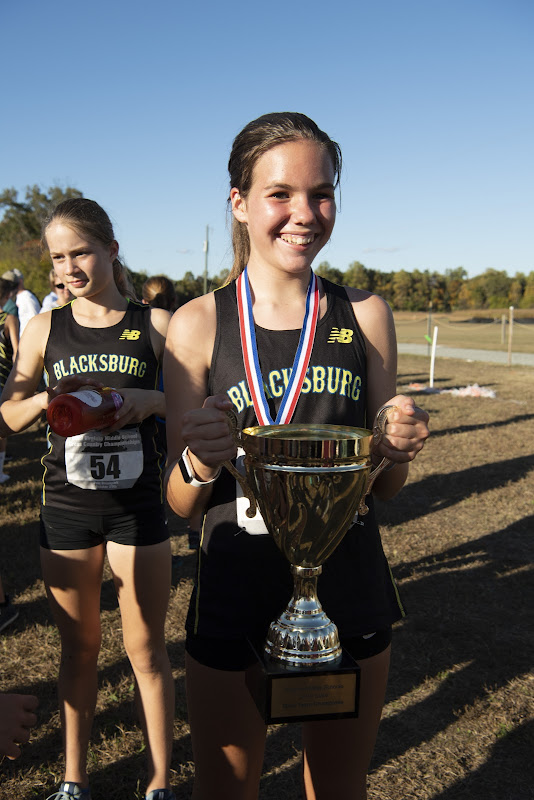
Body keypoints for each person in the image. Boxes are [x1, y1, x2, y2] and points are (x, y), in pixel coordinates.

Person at [164, 112, 429, 800]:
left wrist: (395, 444)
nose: (304, 214)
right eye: (281, 193)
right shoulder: (197, 322)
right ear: (241, 203)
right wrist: (197, 460)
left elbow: (388, 488)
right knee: (226, 791)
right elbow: (179, 502)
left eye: (322, 193)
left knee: (338, 791)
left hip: (347, 589)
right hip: (233, 587)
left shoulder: (365, 313)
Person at [0, 198, 175, 800]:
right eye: (57, 258)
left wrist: (150, 402)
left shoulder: (154, 324)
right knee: (78, 650)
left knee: (146, 649)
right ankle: (73, 780)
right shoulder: (46, 327)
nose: (69, 268)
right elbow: (9, 413)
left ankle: (159, 783)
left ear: (110, 250)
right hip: (68, 508)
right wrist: (52, 399)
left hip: (137, 507)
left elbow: (194, 401)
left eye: (81, 253)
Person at [0, 277, 20, 483]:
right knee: (1, 427)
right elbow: (17, 351)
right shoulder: (8, 318)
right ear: (7, 296)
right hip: (2, 376)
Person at [2, 268, 40, 334]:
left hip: (29, 338)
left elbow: (36, 318)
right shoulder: (15, 297)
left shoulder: (27, 297)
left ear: (20, 281)